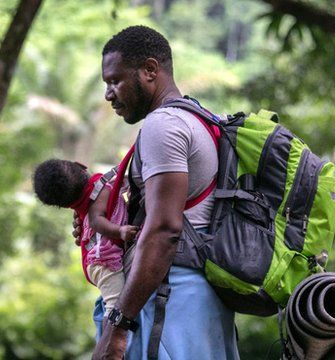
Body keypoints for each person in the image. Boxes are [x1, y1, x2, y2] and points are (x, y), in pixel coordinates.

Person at [87, 25, 239, 359]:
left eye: (115, 81)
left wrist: (117, 326)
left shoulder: (163, 125)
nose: (108, 94)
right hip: (201, 303)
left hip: (170, 300)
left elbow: (165, 229)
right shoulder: (201, 118)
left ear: (150, 71)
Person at [33, 159, 139, 318]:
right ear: (81, 165)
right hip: (103, 262)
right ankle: (110, 340)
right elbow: (96, 222)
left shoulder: (101, 184)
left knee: (116, 309)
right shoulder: (96, 199)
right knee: (116, 312)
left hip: (97, 261)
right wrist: (120, 231)